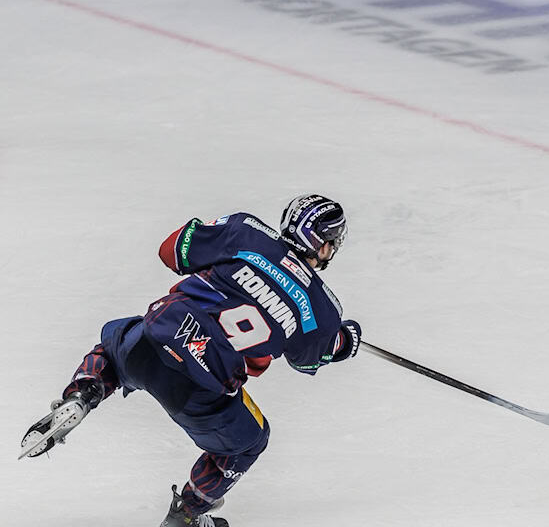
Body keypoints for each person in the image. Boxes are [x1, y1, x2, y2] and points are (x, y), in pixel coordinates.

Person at [20, 194, 363, 527]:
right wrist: (343, 340)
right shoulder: (322, 309)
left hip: (154, 342)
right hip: (200, 388)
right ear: (324, 244)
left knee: (112, 349)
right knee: (249, 443)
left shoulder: (247, 231)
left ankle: (83, 394)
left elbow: (172, 251)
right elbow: (307, 361)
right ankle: (185, 515)